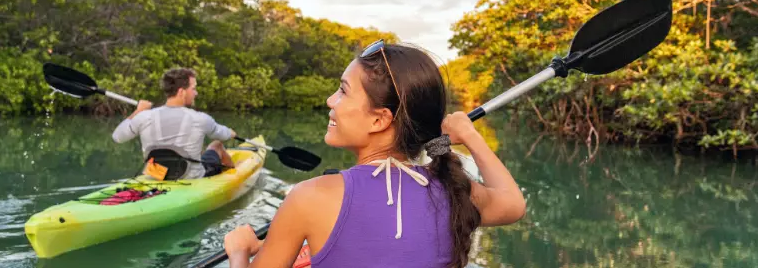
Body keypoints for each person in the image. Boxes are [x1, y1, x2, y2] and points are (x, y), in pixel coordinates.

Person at [222, 40, 527, 267]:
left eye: (342, 91)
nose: (330, 100)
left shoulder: (309, 197)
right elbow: (513, 204)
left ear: (379, 119)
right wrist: (471, 136)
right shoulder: (453, 189)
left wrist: (238, 250)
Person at [112, 67, 238, 180]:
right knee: (217, 145)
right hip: (190, 178)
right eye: (193, 88)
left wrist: (138, 111)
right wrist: (231, 133)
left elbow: (117, 137)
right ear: (181, 92)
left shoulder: (144, 116)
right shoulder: (200, 119)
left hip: (156, 176)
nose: (196, 93)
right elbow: (223, 134)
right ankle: (234, 178)